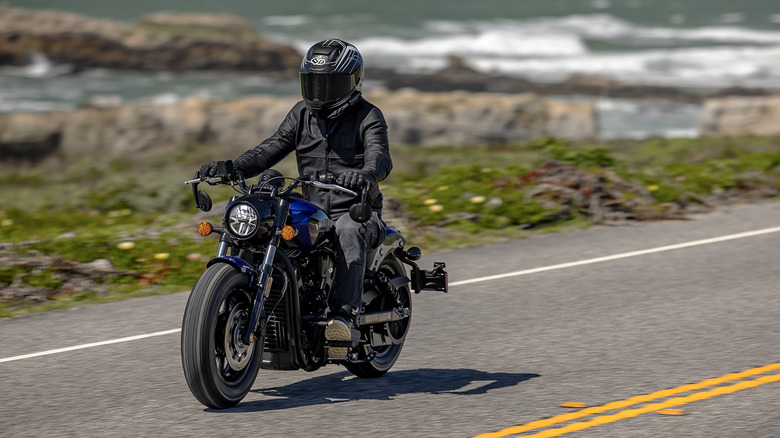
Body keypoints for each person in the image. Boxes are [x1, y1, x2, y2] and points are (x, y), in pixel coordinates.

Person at [198, 39, 392, 359]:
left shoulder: (369, 115)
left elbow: (380, 158)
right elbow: (269, 149)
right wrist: (232, 168)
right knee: (265, 219)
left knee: (347, 230)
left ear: (353, 81)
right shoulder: (302, 114)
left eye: (330, 84)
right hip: (315, 208)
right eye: (314, 82)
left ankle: (343, 316)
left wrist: (366, 175)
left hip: (357, 210)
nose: (320, 92)